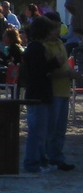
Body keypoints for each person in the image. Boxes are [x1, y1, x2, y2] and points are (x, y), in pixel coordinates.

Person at [21, 16, 61, 174]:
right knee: (36, 132)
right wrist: (54, 63)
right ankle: (32, 164)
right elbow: (37, 71)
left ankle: (41, 161)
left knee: (41, 132)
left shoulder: (35, 47)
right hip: (37, 95)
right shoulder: (36, 48)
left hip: (38, 94)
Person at [43, 11, 80, 172]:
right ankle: (47, 157)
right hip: (53, 91)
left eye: (59, 27)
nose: (57, 30)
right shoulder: (43, 47)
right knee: (50, 128)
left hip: (64, 90)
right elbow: (47, 71)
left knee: (61, 129)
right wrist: (69, 74)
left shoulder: (60, 44)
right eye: (53, 27)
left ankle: (58, 158)